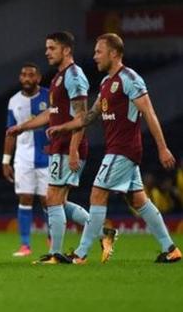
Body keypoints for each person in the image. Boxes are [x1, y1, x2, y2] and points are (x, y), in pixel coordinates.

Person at [47, 33, 181, 264]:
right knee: (138, 201)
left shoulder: (129, 78)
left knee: (97, 193)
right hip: (117, 148)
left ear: (114, 53)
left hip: (124, 149)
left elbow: (148, 112)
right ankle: (171, 249)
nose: (94, 56)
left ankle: (80, 254)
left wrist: (162, 148)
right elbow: (89, 117)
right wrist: (62, 128)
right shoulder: (106, 83)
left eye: (99, 52)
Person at [7, 31, 116, 264]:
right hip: (59, 146)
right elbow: (50, 113)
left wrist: (75, 149)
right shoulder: (58, 77)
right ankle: (102, 232)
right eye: (46, 48)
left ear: (66, 50)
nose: (47, 52)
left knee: (53, 199)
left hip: (69, 147)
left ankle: (55, 253)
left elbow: (82, 117)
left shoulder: (74, 76)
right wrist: (23, 127)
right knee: (56, 200)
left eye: (52, 48)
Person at [3, 63, 49, 257]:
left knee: (49, 200)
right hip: (23, 157)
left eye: (31, 75)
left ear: (38, 78)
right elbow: (10, 133)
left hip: (48, 156)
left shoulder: (49, 96)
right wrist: (6, 160)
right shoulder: (14, 101)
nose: (27, 78)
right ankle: (25, 245)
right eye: (23, 75)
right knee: (25, 197)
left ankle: (52, 240)